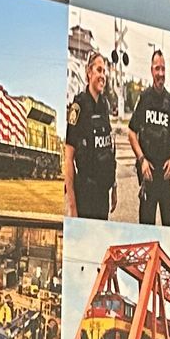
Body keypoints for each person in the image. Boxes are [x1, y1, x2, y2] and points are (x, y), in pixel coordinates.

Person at [127, 47, 170, 226]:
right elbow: (131, 132)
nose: (160, 73)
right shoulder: (144, 98)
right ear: (151, 70)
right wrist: (142, 159)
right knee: (146, 228)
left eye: (163, 69)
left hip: (164, 177)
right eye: (157, 68)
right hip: (148, 176)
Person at [65, 51, 118, 218]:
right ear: (89, 72)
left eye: (104, 72)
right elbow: (68, 158)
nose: (103, 75)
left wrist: (114, 186)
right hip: (85, 196)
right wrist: (72, 205)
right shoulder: (77, 106)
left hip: (102, 196)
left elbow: (109, 149)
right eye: (99, 70)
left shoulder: (104, 105)